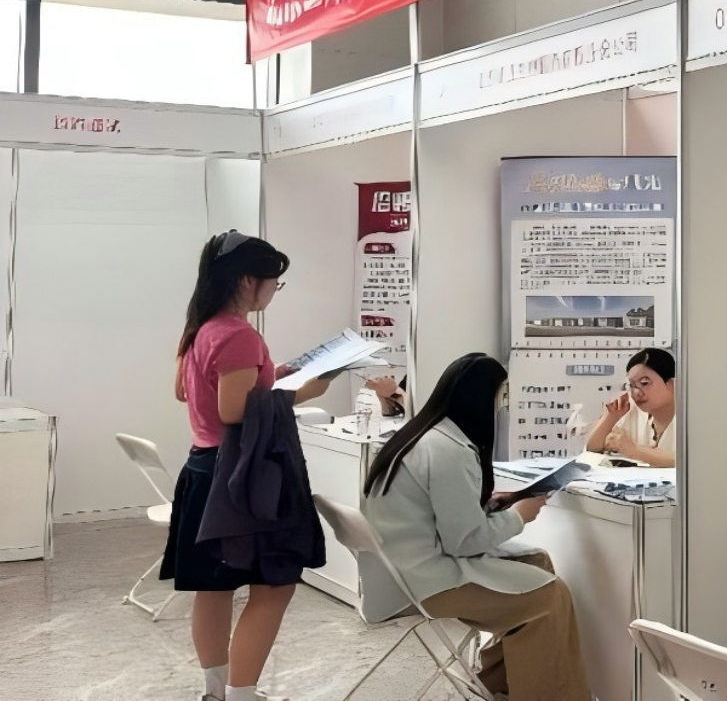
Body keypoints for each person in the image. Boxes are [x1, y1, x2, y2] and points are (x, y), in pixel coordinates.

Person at [363, 353, 590, 700]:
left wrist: (485, 506)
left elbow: (437, 513)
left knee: (537, 561)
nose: (504, 407)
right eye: (502, 397)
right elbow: (465, 542)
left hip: (398, 571)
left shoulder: (422, 436)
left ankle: (497, 687)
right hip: (423, 583)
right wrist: (519, 515)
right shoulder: (448, 450)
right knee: (549, 597)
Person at [165, 230, 333, 701]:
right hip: (241, 477)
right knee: (274, 586)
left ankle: (217, 692)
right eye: (274, 282)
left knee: (213, 588)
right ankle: (242, 695)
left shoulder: (201, 328)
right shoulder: (238, 334)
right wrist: (305, 390)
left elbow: (188, 392)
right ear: (247, 280)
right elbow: (234, 410)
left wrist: (270, 376)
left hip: (204, 468)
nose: (275, 291)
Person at [585, 347, 676, 466]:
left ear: (672, 384)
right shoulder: (632, 410)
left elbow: (689, 462)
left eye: (644, 383)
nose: (636, 392)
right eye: (632, 385)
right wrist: (611, 417)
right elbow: (592, 448)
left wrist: (635, 451)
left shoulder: (692, 415)